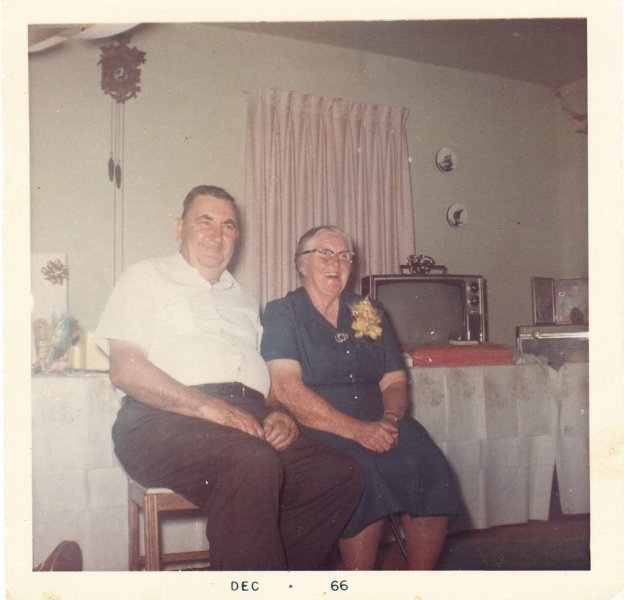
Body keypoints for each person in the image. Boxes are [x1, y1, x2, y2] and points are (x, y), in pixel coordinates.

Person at [95, 187, 365, 571]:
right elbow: (126, 368)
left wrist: (278, 411)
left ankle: (264, 577)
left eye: (228, 225)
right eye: (205, 221)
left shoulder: (245, 300)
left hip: (245, 418)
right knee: (252, 461)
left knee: (340, 475)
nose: (217, 234)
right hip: (160, 420)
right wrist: (212, 409)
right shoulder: (146, 276)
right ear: (179, 228)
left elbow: (260, 380)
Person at [260, 225, 462, 570]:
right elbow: (287, 390)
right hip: (318, 426)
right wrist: (357, 431)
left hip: (379, 421)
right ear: (301, 265)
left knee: (430, 466)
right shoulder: (283, 312)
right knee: (364, 474)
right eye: (324, 253)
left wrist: (390, 419)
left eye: (344, 255)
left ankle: (420, 584)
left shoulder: (369, 309)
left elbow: (394, 381)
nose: (335, 262)